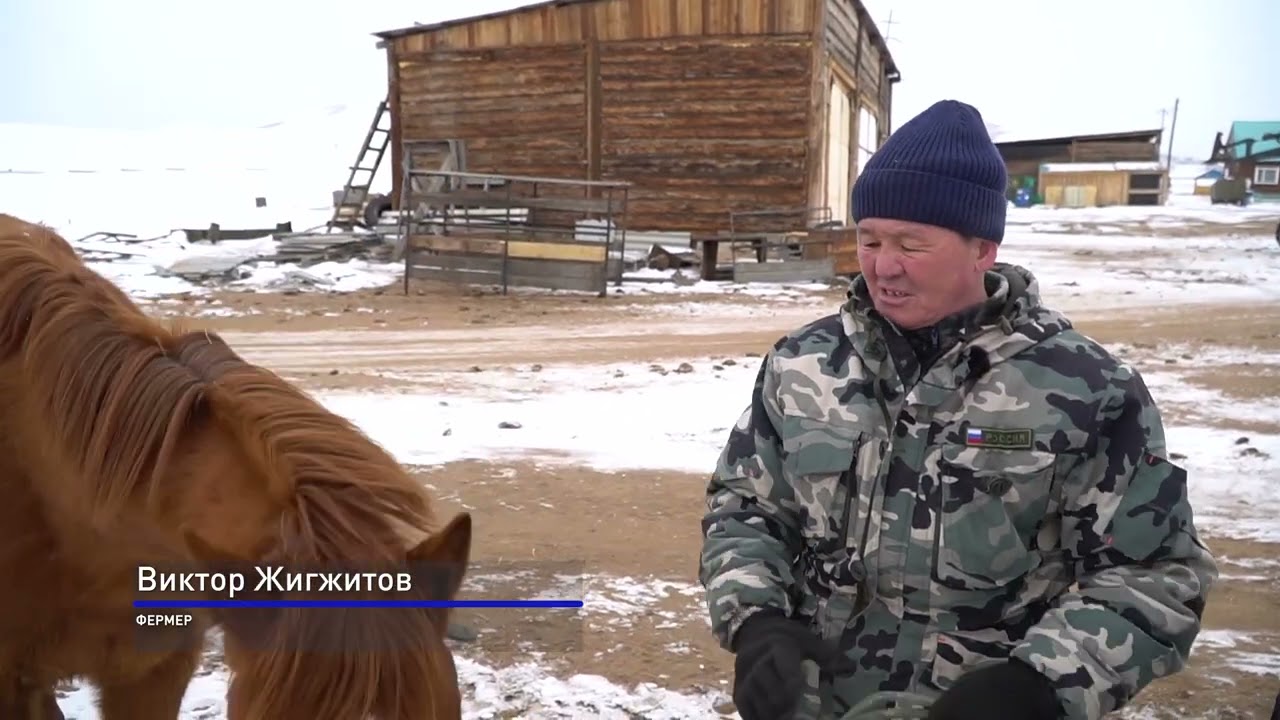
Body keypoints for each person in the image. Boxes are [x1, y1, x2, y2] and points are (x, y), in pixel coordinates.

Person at [697, 100, 1218, 720]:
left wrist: (1038, 685)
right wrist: (757, 620)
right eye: (869, 239)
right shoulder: (804, 364)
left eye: (911, 244)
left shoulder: (1089, 390)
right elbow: (746, 507)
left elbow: (1156, 573)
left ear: (982, 250)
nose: (883, 265)